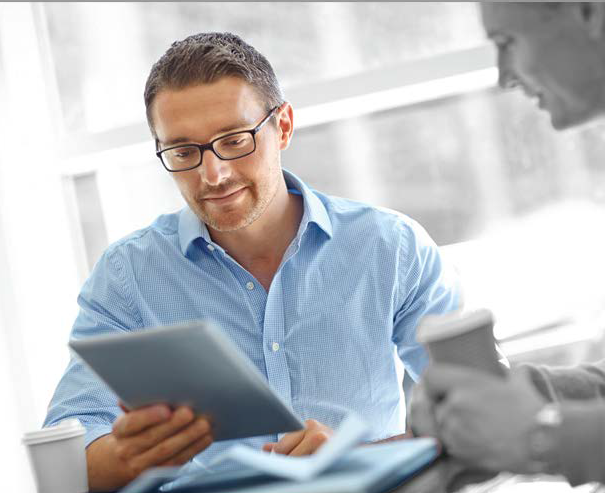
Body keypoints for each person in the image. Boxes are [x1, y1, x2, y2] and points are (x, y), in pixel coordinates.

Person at [44, 32, 460, 491]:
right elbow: (67, 462)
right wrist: (127, 457)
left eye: (234, 139)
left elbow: (483, 419)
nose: (213, 174)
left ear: (282, 126)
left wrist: (352, 458)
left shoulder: (392, 247)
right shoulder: (126, 277)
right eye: (184, 152)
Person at [411, 2, 605, 488]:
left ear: (589, 10)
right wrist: (527, 398)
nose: (503, 77)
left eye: (507, 42)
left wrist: (540, 436)